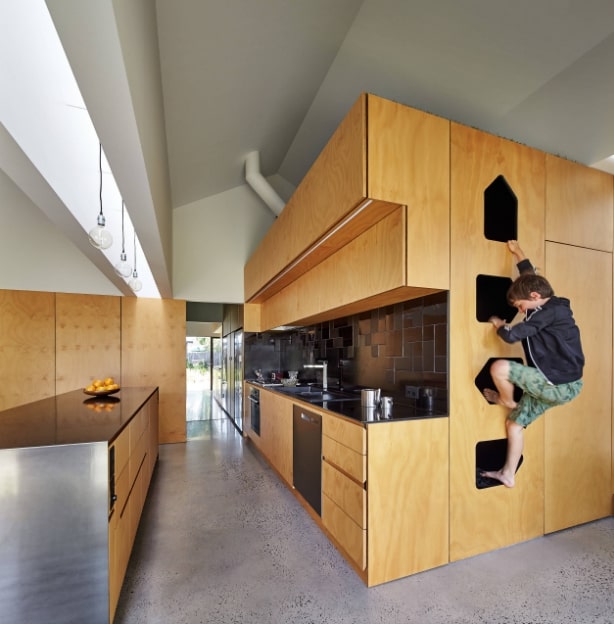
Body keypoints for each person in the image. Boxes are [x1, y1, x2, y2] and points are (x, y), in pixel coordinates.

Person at [481, 240, 584, 487]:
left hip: (556, 384)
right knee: (514, 425)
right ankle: (508, 474)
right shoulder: (543, 302)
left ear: (535, 297)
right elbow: (528, 275)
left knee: (499, 368)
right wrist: (518, 253)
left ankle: (506, 400)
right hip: (560, 385)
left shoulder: (547, 314)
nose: (520, 310)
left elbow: (512, 335)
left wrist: (500, 325)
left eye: (520, 306)